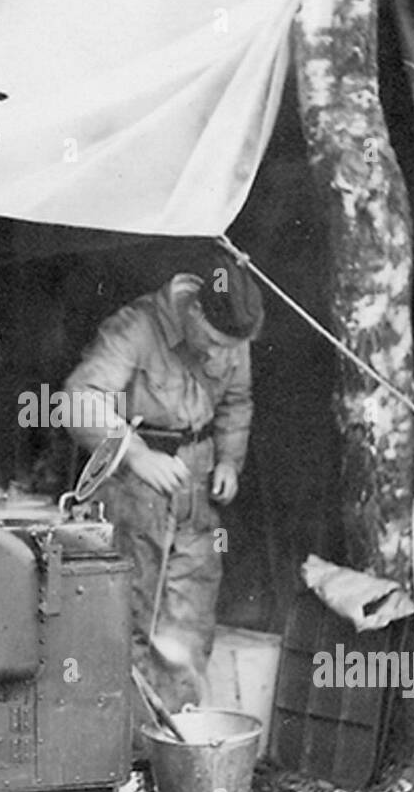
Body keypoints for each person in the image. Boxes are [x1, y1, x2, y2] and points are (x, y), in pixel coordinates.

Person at [64, 247, 264, 749]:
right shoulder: (137, 326)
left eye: (231, 348)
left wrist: (228, 462)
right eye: (215, 343)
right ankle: (122, 758)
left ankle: (179, 756)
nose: (222, 355)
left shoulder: (234, 327)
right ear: (194, 311)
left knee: (188, 627)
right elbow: (79, 399)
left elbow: (238, 401)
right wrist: (136, 456)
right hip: (136, 492)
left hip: (197, 493)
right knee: (129, 621)